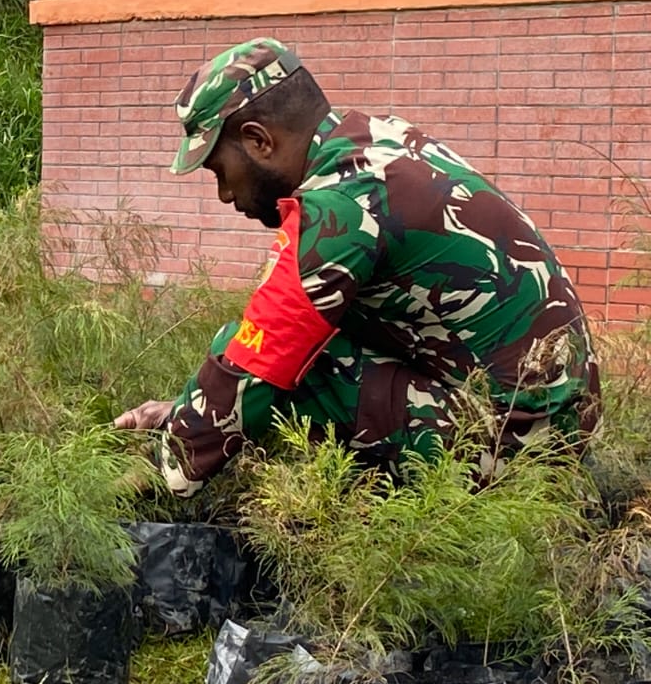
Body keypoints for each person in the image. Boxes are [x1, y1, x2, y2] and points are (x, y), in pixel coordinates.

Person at [114, 38, 600, 496]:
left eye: (220, 171)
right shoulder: (383, 141)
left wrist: (161, 468)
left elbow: (253, 361)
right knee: (305, 346)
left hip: (519, 446)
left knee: (270, 362)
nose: (225, 194)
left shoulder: (339, 210)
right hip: (553, 418)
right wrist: (184, 410)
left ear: (259, 140)